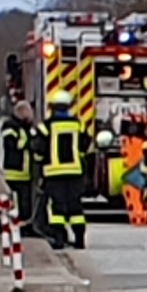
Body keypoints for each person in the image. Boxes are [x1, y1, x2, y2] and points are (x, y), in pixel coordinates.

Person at [40, 106, 92, 248]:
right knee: (76, 208)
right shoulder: (78, 124)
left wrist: (41, 163)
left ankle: (59, 239)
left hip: (54, 173)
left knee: (57, 208)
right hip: (75, 172)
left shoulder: (46, 126)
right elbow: (86, 143)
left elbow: (38, 147)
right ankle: (80, 239)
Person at [0, 107, 40, 238]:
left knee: (24, 201)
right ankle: (13, 225)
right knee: (19, 202)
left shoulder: (24, 127)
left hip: (25, 172)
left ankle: (22, 225)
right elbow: (14, 144)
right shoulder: (10, 127)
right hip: (15, 171)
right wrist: (31, 142)